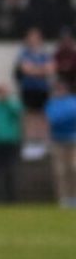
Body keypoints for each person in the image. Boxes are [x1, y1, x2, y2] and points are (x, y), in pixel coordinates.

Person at [15, 27, 55, 160]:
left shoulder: (45, 53)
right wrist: (40, 70)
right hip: (29, 89)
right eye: (31, 37)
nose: (33, 40)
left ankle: (43, 143)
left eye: (36, 37)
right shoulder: (23, 53)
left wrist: (35, 70)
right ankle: (31, 144)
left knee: (43, 116)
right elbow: (26, 70)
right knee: (30, 116)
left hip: (43, 89)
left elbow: (50, 70)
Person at [45, 78, 76, 209]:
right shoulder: (51, 103)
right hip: (57, 140)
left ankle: (74, 197)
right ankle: (64, 198)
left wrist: (64, 118)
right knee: (60, 171)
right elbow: (53, 118)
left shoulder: (72, 101)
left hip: (73, 139)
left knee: (73, 169)